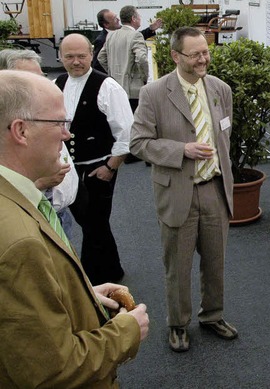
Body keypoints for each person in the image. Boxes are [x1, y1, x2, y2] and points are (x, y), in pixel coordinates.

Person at [0, 69, 149, 388]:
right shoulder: (18, 242)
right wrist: (127, 331)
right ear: (21, 131)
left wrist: (78, 295)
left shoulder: (13, 200)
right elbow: (49, 371)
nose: (67, 135)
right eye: (58, 123)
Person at [130, 27, 237, 352]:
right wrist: (181, 151)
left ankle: (212, 315)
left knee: (215, 261)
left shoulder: (220, 89)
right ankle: (178, 324)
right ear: (176, 56)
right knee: (178, 266)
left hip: (215, 189)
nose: (204, 59)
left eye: (206, 52)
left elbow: (225, 133)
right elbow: (138, 143)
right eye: (196, 54)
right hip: (178, 190)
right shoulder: (154, 93)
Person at [55, 33, 133, 284]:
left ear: (91, 55)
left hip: (99, 167)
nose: (76, 61)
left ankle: (92, 280)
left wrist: (111, 166)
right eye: (69, 56)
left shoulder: (107, 86)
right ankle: (112, 270)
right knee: (91, 224)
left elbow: (127, 132)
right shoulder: (58, 82)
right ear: (60, 57)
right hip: (68, 168)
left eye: (81, 56)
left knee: (94, 224)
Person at [3, 49, 78, 237]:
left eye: (42, 77)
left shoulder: (40, 111)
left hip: (58, 212)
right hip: (34, 214)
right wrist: (38, 185)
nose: (66, 134)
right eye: (29, 80)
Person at [98, 5, 149, 113]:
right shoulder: (136, 35)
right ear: (133, 19)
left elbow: (101, 57)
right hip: (133, 91)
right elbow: (141, 59)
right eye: (138, 16)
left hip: (115, 87)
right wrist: (144, 77)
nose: (140, 18)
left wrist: (112, 71)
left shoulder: (111, 35)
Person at [92, 8, 162, 74]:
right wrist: (112, 74)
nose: (118, 20)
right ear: (106, 25)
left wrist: (150, 29)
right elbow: (98, 64)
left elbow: (133, 37)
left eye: (116, 17)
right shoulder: (101, 40)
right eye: (114, 19)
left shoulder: (119, 30)